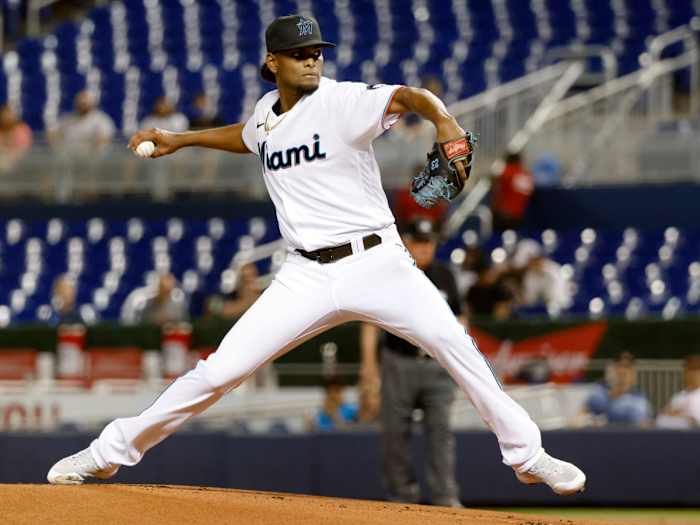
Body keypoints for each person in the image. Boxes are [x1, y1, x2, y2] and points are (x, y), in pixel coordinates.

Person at [48, 14, 585, 496]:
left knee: (453, 342)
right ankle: (107, 454)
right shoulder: (265, 114)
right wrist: (180, 138)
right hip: (303, 273)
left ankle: (528, 455)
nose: (312, 59)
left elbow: (409, 96)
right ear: (272, 61)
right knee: (217, 373)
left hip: (377, 262)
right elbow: (246, 136)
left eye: (317, 51)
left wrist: (442, 119)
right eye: (300, 52)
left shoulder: (342, 101)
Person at [360, 218, 464, 507]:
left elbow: (460, 320)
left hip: (437, 365)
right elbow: (370, 323)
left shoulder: (445, 276)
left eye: (427, 242)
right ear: (407, 243)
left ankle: (446, 499)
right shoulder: (392, 276)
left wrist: (463, 362)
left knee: (441, 433)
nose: (422, 248)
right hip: (398, 361)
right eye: (417, 242)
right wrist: (369, 368)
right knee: (394, 433)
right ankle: (401, 498)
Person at [582, 352, 652, 427]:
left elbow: (645, 425)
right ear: (613, 369)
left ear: (633, 373)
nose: (623, 371)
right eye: (620, 366)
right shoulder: (599, 393)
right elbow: (581, 417)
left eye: (627, 367)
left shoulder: (640, 400)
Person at [511, 239, 571, 316]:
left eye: (531, 260)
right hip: (540, 312)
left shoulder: (553, 271)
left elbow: (559, 300)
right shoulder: (529, 275)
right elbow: (530, 301)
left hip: (561, 311)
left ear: (537, 258)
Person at [48, 90, 115, 151]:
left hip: (93, 158)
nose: (82, 106)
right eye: (80, 103)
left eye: (85, 103)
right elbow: (52, 133)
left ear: (92, 104)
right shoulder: (67, 118)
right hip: (69, 157)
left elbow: (104, 139)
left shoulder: (101, 120)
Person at [491, 150, 535, 232]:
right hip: (520, 214)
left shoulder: (506, 172)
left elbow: (495, 186)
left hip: (503, 214)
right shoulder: (526, 174)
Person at [656, 355, 700, 429]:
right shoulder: (679, 396)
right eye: (689, 369)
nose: (692, 374)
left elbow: (694, 421)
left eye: (695, 370)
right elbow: (660, 419)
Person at [0, 104, 32, 172]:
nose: (7, 117)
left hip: (19, 163)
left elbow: (24, 149)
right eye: (4, 114)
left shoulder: (22, 130)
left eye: (10, 114)